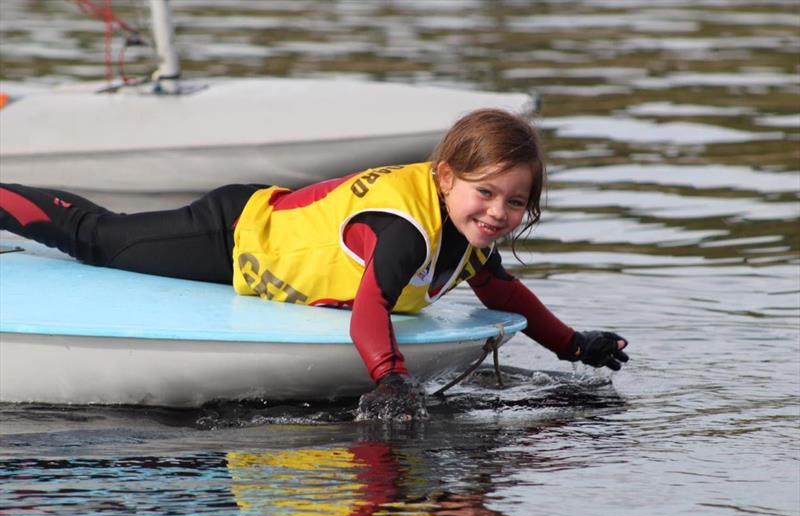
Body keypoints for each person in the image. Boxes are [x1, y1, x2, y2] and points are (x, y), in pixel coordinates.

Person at [0, 108, 628, 420]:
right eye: (485, 193)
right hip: (236, 233)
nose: (497, 212)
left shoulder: (466, 230)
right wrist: (388, 378)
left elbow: (502, 292)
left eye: (515, 201)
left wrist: (576, 345)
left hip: (260, 244)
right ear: (444, 179)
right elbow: (369, 308)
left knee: (102, 239)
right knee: (99, 239)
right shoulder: (406, 229)